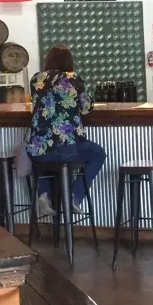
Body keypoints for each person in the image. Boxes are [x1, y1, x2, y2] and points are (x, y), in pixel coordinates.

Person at [26, 45, 107, 216]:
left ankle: (44, 195)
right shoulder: (73, 79)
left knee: (46, 157)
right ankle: (74, 196)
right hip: (65, 148)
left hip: (36, 149)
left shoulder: (36, 79)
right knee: (98, 154)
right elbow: (86, 107)